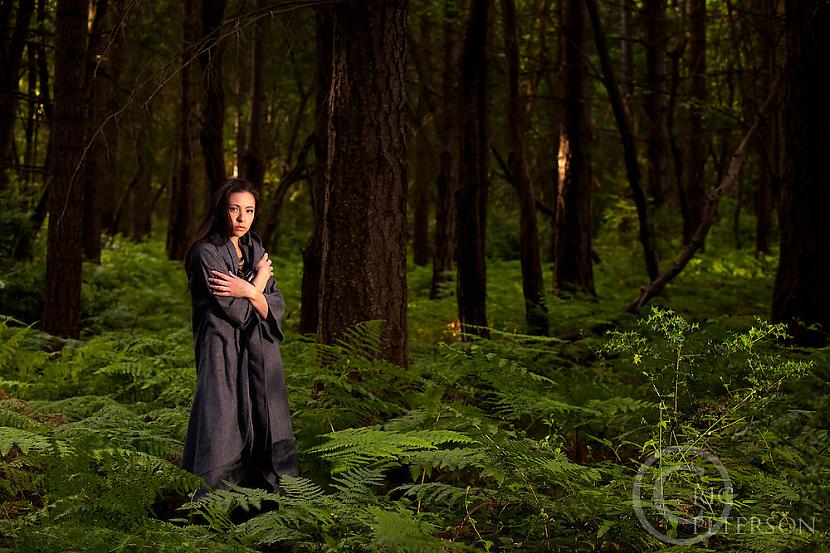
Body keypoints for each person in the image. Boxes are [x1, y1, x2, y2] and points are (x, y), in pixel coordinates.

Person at [181, 177, 299, 500]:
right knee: (221, 427)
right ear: (223, 209)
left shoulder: (254, 248)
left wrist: (250, 287)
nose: (241, 218)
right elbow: (236, 311)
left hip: (259, 355)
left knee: (264, 426)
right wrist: (258, 286)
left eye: (249, 210)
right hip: (222, 353)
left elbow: (277, 305)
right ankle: (212, 513)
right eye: (235, 209)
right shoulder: (207, 254)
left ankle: (261, 508)